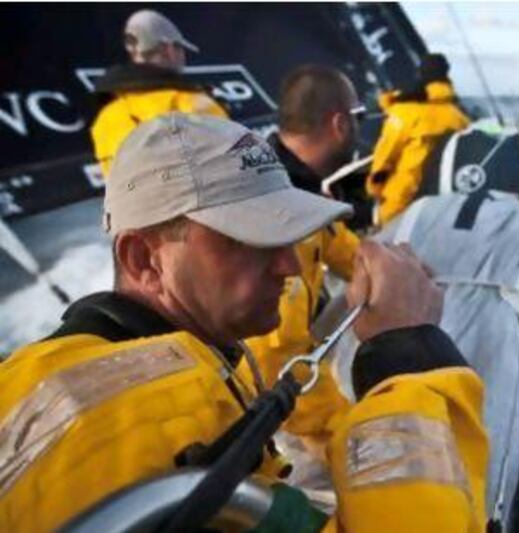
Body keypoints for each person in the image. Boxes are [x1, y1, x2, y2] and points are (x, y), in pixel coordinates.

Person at [0, 113, 488, 532]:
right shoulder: (141, 422)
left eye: (288, 235)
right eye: (248, 240)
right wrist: (406, 359)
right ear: (145, 259)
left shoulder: (60, 369)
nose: (290, 267)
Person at [242, 65, 362, 443]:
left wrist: (383, 263)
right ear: (340, 124)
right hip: (267, 411)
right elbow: (278, 362)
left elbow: (337, 244)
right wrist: (351, 432)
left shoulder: (300, 189)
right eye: (358, 118)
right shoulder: (275, 213)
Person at [90, 9, 227, 177]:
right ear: (168, 49)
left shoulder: (105, 119)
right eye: (181, 49)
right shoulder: (193, 104)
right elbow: (234, 168)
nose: (183, 57)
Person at [366, 53, 470, 225]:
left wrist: (374, 190)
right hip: (443, 207)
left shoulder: (404, 113)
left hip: (400, 205)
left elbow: (385, 158)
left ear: (420, 74)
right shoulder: (460, 118)